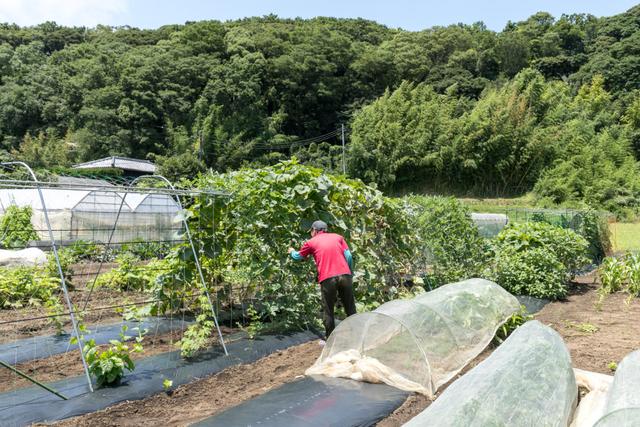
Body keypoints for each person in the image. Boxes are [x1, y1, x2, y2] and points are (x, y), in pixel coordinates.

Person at [288, 220, 356, 340]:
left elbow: (298, 257)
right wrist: (349, 272)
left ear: (314, 230)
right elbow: (349, 256)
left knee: (329, 310)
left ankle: (330, 340)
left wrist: (291, 251)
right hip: (345, 275)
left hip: (328, 278)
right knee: (350, 307)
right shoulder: (338, 237)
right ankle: (358, 334)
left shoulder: (311, 242)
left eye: (311, 231)